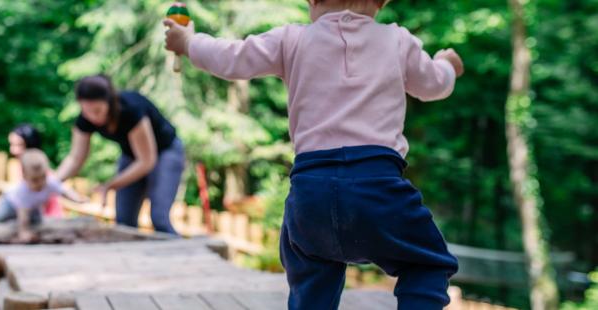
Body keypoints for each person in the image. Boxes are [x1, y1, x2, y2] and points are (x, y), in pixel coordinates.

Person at [164, 0, 464, 309]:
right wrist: (446, 65)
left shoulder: (291, 39)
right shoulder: (398, 40)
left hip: (311, 194)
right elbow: (434, 85)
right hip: (378, 189)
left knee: (313, 281)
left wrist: (188, 42)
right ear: (382, 1)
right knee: (427, 264)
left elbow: (231, 58)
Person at [55, 75, 186, 235]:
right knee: (124, 221)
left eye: (97, 111)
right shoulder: (85, 119)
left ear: (109, 102)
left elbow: (146, 161)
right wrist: (52, 182)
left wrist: (110, 185)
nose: (93, 117)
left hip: (166, 152)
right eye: (87, 111)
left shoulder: (131, 110)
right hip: (132, 156)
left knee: (159, 218)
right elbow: (75, 158)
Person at [0, 150, 85, 242]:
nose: (40, 183)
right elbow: (23, 213)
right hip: (11, 204)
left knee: (37, 221)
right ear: (24, 176)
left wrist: (77, 198)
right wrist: (24, 232)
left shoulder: (49, 182)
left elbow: (64, 191)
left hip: (33, 207)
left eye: (43, 177)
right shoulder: (23, 191)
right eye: (35, 180)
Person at [8, 124, 63, 218]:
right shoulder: (19, 166)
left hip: (46, 218)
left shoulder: (38, 171)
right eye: (11, 144)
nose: (13, 150)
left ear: (31, 145)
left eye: (19, 145)